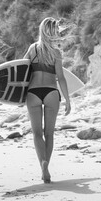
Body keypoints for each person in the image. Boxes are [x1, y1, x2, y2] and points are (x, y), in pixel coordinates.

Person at [23, 17, 71, 183]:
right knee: (49, 133)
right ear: (53, 32)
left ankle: (42, 164)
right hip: (51, 92)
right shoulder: (56, 53)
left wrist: (16, 95)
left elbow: (22, 70)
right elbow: (62, 78)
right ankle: (46, 165)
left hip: (33, 92)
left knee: (37, 134)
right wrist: (67, 99)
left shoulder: (32, 49)